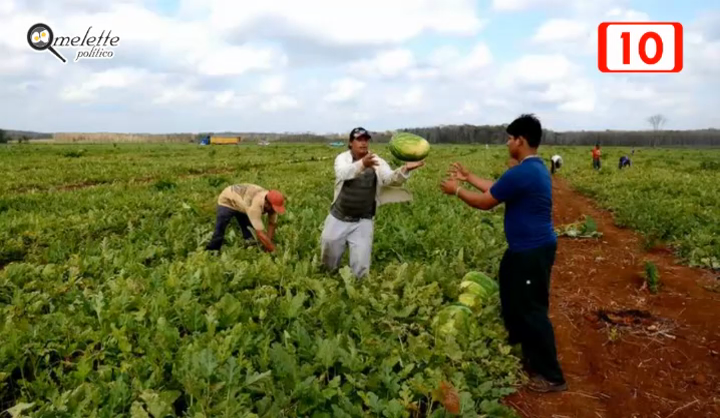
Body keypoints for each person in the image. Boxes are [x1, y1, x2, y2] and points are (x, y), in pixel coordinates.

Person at [439, 114, 567, 393]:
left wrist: (457, 189)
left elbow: (486, 202)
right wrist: (468, 177)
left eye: (510, 138)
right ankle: (523, 350)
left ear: (520, 140)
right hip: (522, 250)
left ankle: (552, 376)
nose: (507, 143)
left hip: (532, 251)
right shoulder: (531, 169)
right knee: (511, 294)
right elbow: (496, 188)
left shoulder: (525, 172)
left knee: (533, 309)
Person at [320, 127, 424, 278]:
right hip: (338, 217)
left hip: (363, 220)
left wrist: (405, 169)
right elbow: (343, 173)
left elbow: (389, 179)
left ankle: (358, 292)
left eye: (366, 140)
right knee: (329, 257)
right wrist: (362, 164)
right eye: (359, 139)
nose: (363, 143)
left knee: (361, 267)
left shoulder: (377, 161)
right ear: (350, 143)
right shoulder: (342, 158)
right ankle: (327, 281)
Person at [205, 184, 285, 253]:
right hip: (228, 199)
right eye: (273, 208)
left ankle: (250, 250)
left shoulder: (272, 203)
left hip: (243, 203)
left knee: (248, 230)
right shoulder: (255, 206)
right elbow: (260, 233)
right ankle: (212, 251)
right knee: (220, 228)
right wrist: (274, 251)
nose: (274, 211)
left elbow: (272, 224)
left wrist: (268, 246)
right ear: (267, 204)